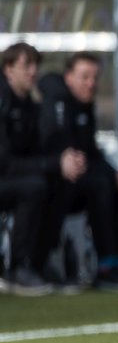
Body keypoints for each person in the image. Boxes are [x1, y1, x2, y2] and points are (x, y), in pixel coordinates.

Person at [39, 52, 118, 292]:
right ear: (68, 77)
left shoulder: (85, 109)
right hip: (56, 184)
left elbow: (92, 153)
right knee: (101, 184)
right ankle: (106, 268)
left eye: (95, 77)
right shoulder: (56, 103)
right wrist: (61, 162)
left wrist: (117, 174)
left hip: (80, 180)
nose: (91, 83)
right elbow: (52, 147)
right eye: (84, 77)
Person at [0, 42, 85, 295]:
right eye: (26, 66)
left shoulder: (31, 105)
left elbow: (41, 148)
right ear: (8, 70)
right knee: (34, 187)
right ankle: (17, 267)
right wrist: (52, 164)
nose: (33, 72)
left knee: (61, 183)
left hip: (14, 177)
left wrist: (66, 159)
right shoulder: (3, 103)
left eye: (36, 65)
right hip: (6, 177)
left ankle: (38, 264)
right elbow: (3, 162)